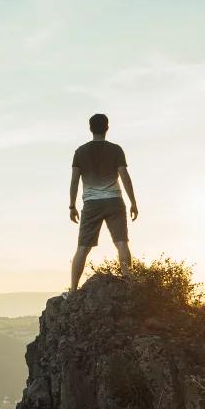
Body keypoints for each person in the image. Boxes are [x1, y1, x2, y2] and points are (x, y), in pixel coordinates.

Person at [68, 113, 138, 292]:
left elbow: (75, 181)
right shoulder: (116, 150)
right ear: (107, 127)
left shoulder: (80, 152)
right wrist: (133, 202)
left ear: (90, 128)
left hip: (91, 204)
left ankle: (74, 290)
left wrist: (72, 205)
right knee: (121, 243)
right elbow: (125, 177)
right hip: (114, 201)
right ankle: (129, 284)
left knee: (82, 247)